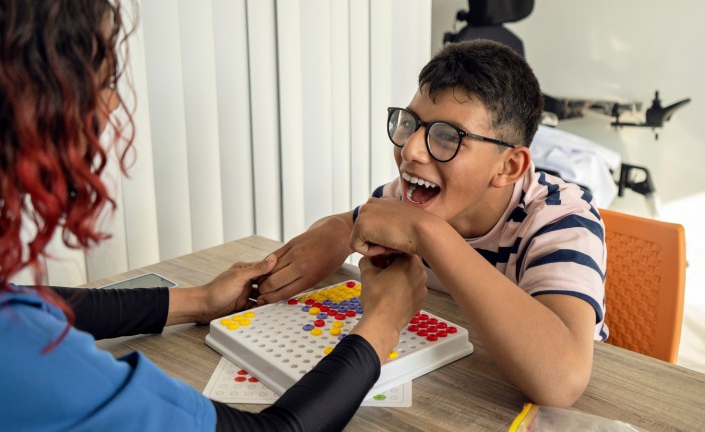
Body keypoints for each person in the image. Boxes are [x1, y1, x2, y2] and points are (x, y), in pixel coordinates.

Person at [0, 1, 428, 431]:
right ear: (19, 106)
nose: (111, 104)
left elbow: (5, 300)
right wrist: (383, 322)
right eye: (101, 81)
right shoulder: (12, 360)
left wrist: (198, 301)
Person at [257, 40, 607, 408]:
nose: (410, 150)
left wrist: (428, 233)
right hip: (436, 387)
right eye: (410, 124)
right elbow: (361, 221)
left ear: (508, 167)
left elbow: (561, 381)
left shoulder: (563, 219)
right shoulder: (414, 197)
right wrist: (335, 230)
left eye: (447, 136)